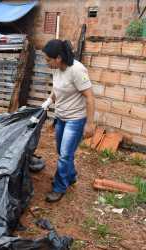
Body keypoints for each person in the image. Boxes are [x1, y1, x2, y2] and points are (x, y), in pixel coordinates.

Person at [41, 39, 95, 203]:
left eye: (48, 60)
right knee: (63, 152)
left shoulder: (77, 70)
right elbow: (57, 90)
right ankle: (71, 177)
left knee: (64, 155)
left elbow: (90, 98)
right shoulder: (56, 69)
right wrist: (48, 102)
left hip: (75, 120)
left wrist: (90, 124)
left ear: (58, 58)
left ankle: (59, 187)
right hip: (61, 117)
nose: (46, 62)